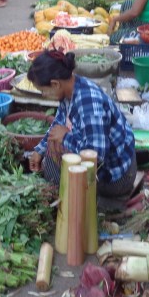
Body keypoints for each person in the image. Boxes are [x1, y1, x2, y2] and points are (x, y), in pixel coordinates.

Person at [27, 51, 137, 211]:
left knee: (54, 158)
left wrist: (65, 137)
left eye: (43, 91)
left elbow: (97, 155)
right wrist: (39, 150)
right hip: (107, 163)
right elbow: (57, 125)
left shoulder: (88, 103)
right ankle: (72, 200)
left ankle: (79, 206)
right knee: (51, 149)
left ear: (55, 84)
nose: (44, 95)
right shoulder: (70, 90)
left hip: (116, 177)